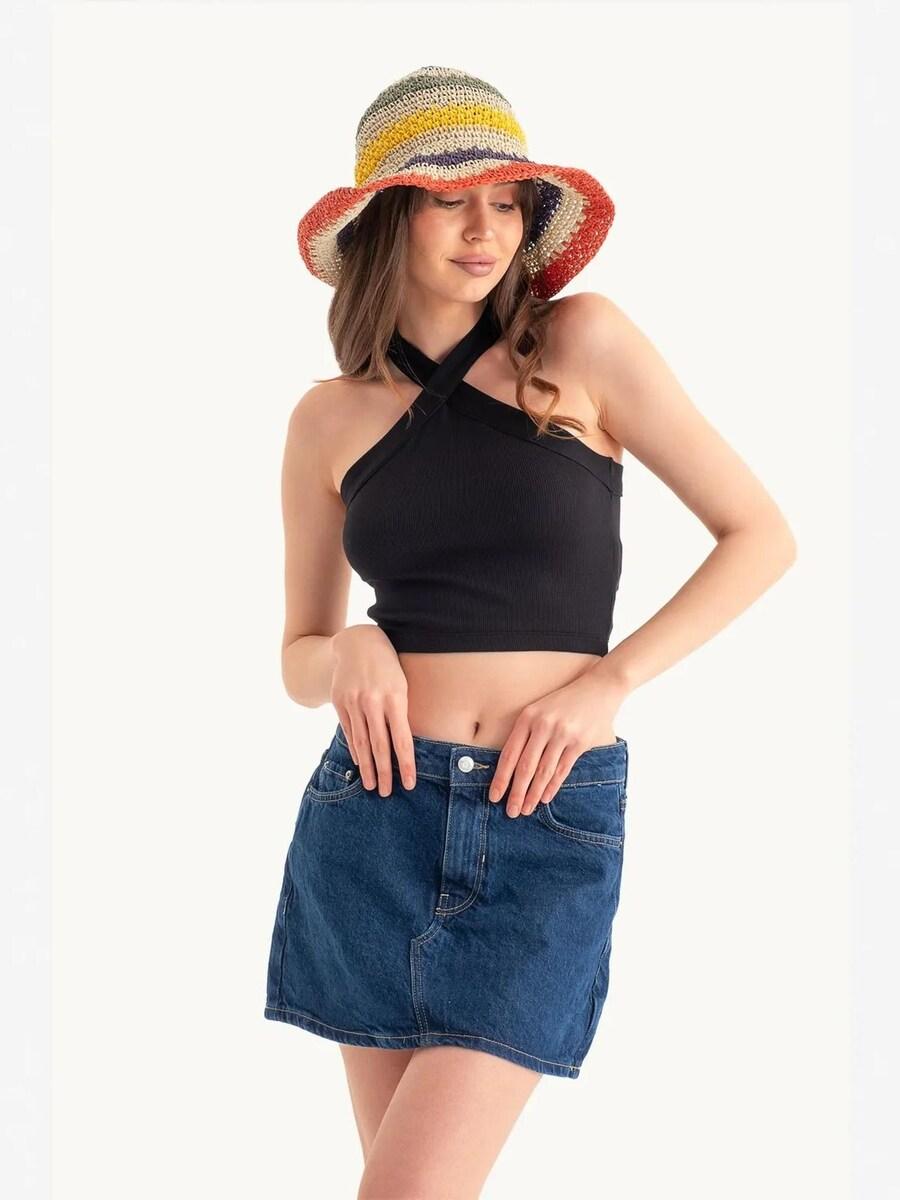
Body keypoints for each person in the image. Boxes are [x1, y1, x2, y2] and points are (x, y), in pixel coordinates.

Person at [264, 65, 797, 1198]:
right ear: (386, 218)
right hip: (373, 818)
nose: (486, 229)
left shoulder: (582, 345)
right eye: (450, 200)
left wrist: (611, 681)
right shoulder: (326, 419)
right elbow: (298, 655)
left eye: (506, 202)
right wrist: (345, 650)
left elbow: (759, 535)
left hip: (541, 814)